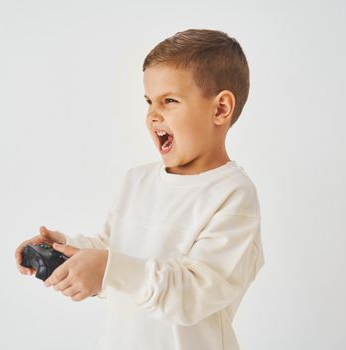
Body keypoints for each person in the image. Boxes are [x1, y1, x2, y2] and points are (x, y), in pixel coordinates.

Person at [15, 28, 265, 350]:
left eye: (169, 101)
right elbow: (115, 248)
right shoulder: (138, 181)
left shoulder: (233, 195)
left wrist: (107, 267)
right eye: (149, 101)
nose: (153, 115)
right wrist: (69, 249)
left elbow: (191, 294)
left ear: (220, 109)